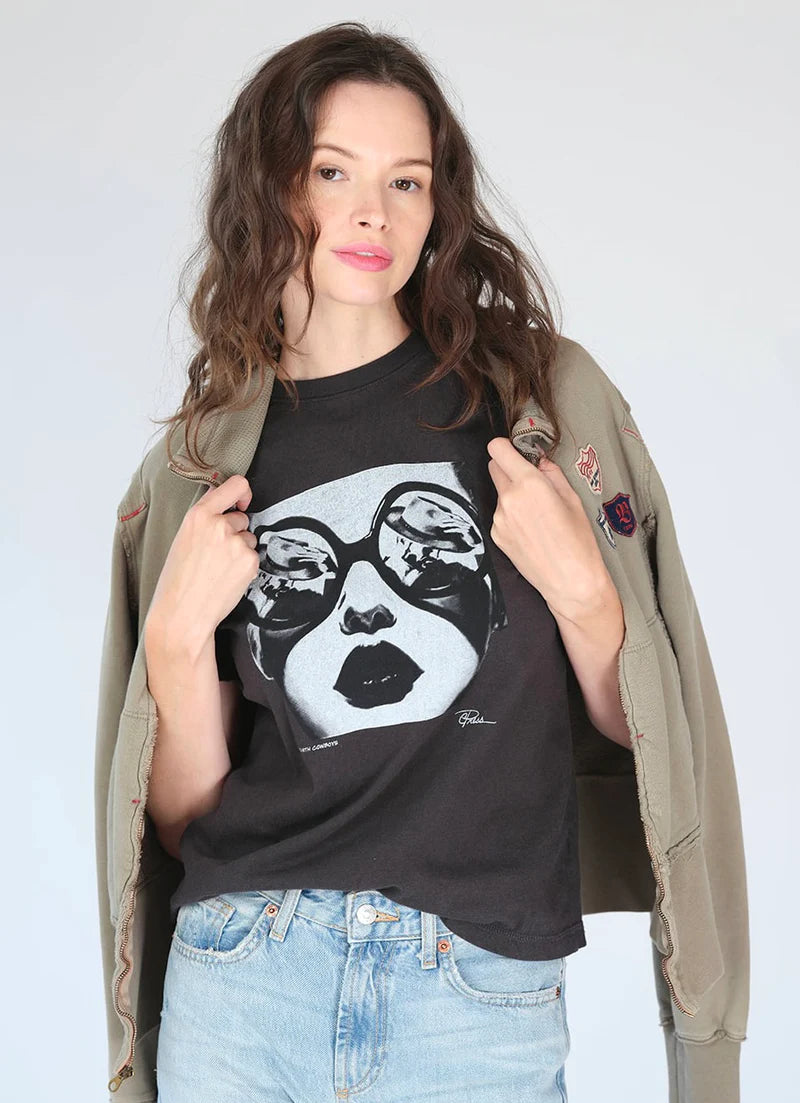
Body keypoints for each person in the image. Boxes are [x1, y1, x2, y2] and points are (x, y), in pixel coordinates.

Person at [95, 20, 749, 1103]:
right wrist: (171, 640)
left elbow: (654, 736)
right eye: (332, 172)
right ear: (270, 186)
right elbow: (178, 819)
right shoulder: (196, 467)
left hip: (476, 996)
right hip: (247, 977)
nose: (374, 213)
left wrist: (583, 590)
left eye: (406, 180)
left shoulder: (539, 402)